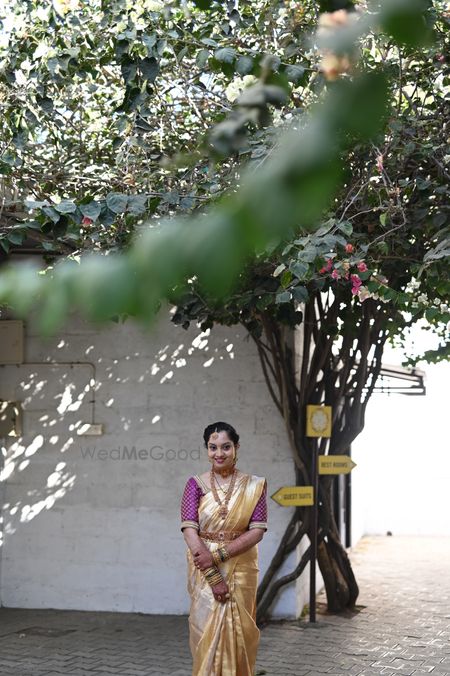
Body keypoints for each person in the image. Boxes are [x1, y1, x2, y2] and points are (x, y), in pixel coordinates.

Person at [180, 421, 268, 676]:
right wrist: (212, 572)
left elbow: (257, 530)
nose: (219, 453)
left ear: (236, 447)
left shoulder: (254, 485)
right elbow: (189, 529)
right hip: (202, 565)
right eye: (213, 447)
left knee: (240, 630)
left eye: (226, 447)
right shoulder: (195, 484)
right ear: (207, 449)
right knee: (204, 630)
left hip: (241, 565)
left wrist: (217, 556)